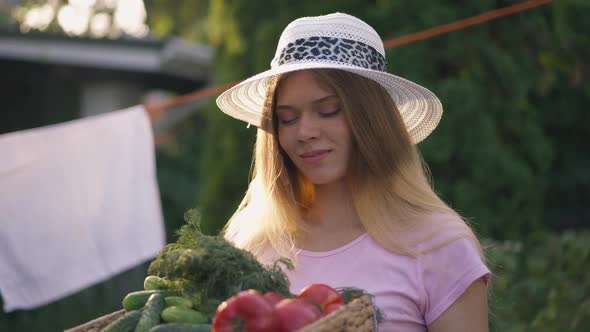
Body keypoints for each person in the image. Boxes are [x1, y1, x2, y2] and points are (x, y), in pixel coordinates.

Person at [215, 12, 490, 331]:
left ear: (372, 118)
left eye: (328, 110)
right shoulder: (248, 242)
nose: (305, 131)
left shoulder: (438, 245)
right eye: (287, 118)